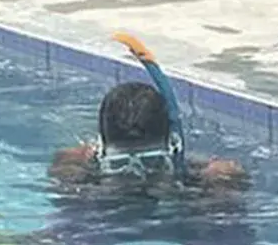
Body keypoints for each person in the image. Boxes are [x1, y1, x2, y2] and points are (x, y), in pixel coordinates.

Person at [48, 35, 246, 200]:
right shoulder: (73, 168)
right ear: (100, 152)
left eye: (152, 163)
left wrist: (220, 193)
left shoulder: (212, 179)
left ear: (172, 147)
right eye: (119, 165)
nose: (137, 178)